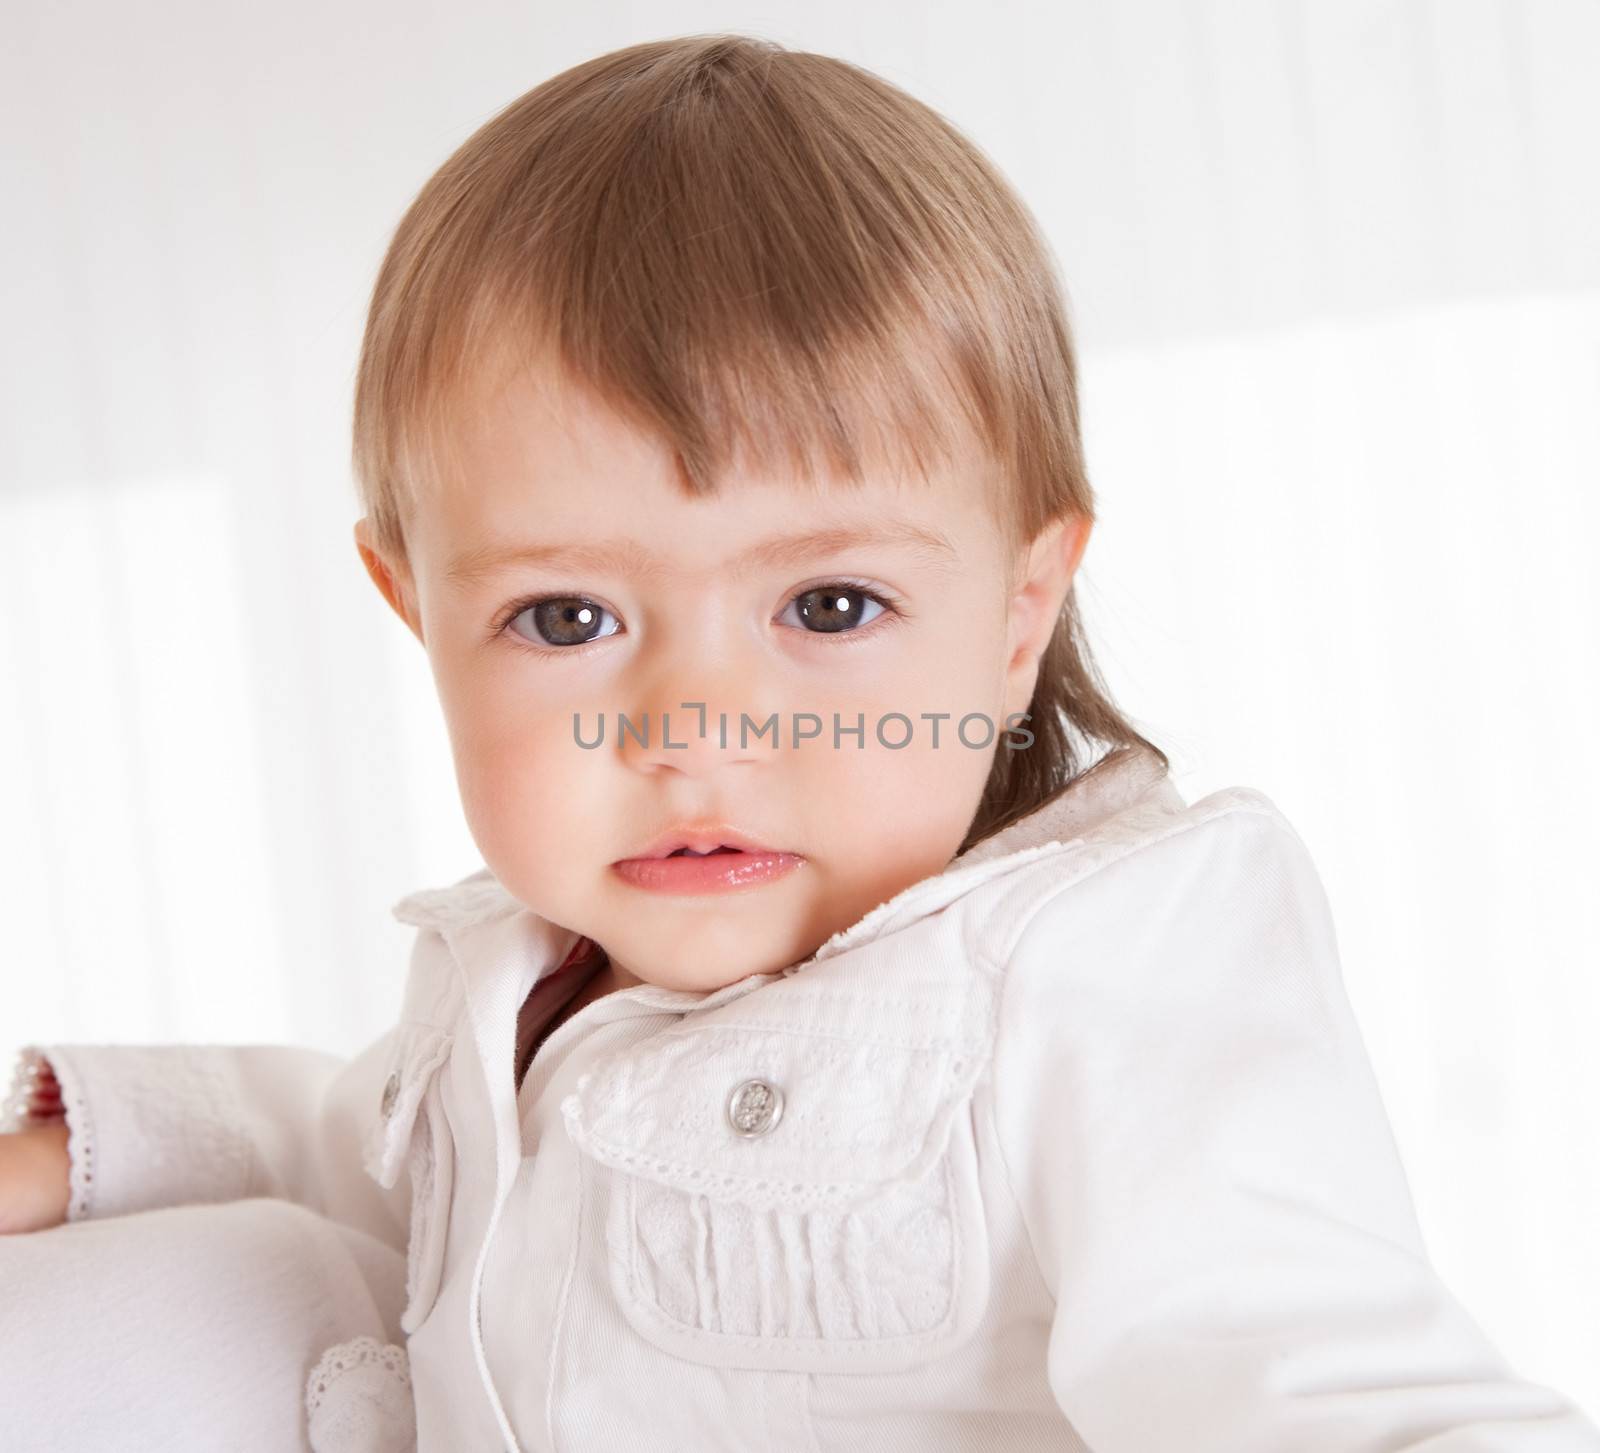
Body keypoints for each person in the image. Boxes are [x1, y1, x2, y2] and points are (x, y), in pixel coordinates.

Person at [3, 31, 1598, 1453]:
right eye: (566, 620)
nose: (697, 728)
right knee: (253, 1267)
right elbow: (363, 1150)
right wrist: (92, 1148)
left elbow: (1314, 1378)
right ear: (412, 607)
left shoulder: (1096, 963)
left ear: (1021, 607)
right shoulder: (516, 981)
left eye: (829, 605)